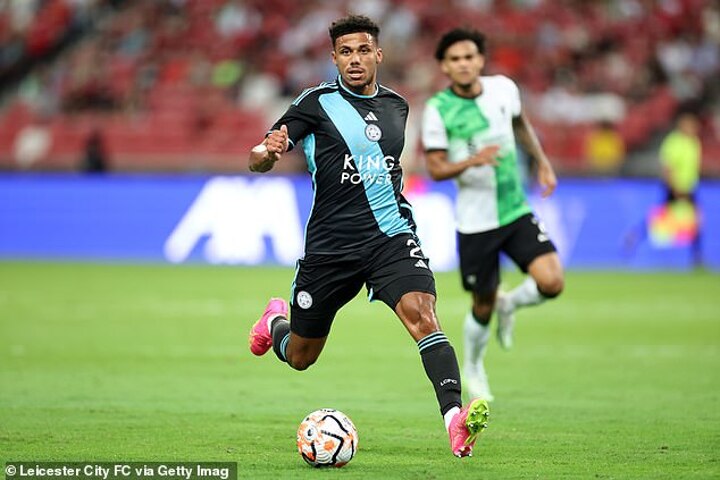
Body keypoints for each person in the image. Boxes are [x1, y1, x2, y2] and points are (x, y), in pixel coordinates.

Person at [247, 15, 489, 458]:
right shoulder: (315, 103)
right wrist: (268, 152)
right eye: (345, 52)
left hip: (390, 237)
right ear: (334, 58)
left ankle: (455, 420)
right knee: (301, 356)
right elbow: (260, 155)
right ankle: (274, 324)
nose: (354, 59)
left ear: (378, 54)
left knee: (423, 315)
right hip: (331, 249)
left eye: (362, 50)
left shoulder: (398, 106)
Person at [421, 28, 564, 402]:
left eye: (469, 57)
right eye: (455, 59)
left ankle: (509, 302)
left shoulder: (503, 89)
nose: (463, 64)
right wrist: (472, 160)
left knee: (552, 281)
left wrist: (542, 162)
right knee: (481, 304)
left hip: (515, 209)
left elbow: (519, 124)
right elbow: (435, 168)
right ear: (444, 67)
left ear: (480, 60)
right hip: (476, 222)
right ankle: (473, 366)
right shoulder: (438, 109)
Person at [658, 112, 703, 265]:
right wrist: (674, 187)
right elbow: (667, 167)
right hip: (675, 188)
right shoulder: (673, 142)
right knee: (661, 220)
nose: (692, 128)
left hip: (689, 188)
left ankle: (697, 257)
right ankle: (635, 238)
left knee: (696, 222)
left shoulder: (694, 142)